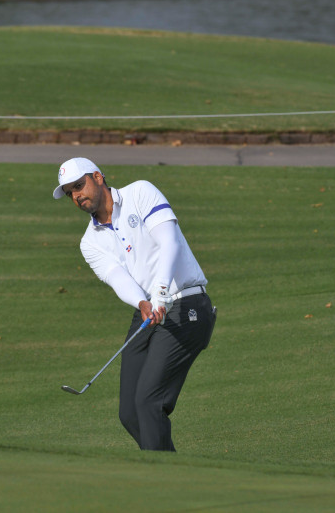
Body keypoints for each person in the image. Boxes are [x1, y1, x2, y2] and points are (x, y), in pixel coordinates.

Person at [53, 157, 215, 452]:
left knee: (148, 401)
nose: (76, 196)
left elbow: (170, 242)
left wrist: (161, 293)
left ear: (98, 177)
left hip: (187, 305)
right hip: (149, 310)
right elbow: (118, 278)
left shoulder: (140, 192)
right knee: (129, 413)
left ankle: (161, 484)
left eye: (79, 185)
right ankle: (173, 475)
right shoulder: (89, 242)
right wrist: (143, 301)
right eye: (69, 192)